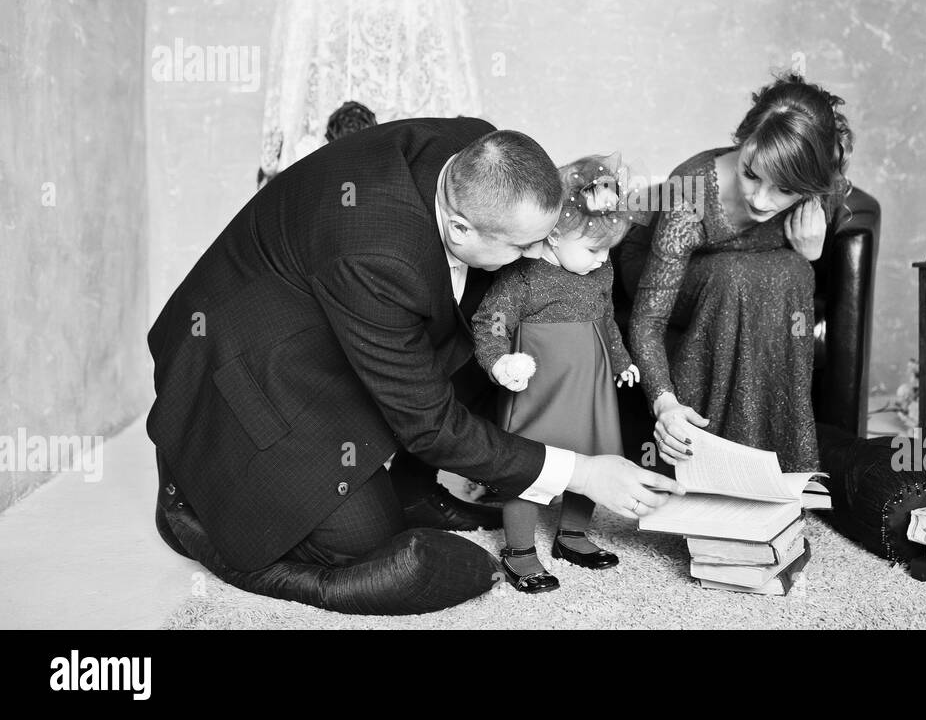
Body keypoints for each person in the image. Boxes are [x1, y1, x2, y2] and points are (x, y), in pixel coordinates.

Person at [148, 118, 680, 614]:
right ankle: (186, 501)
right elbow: (428, 422)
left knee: (490, 341)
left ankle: (414, 488)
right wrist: (582, 471)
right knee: (362, 539)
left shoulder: (479, 152)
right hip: (242, 368)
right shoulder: (378, 255)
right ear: (458, 227)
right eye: (524, 245)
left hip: (323, 316)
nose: (537, 254)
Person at [625, 73, 854, 474]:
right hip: (656, 271)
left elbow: (799, 278)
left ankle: (783, 465)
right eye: (750, 173)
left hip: (737, 277)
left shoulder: (821, 189)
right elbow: (649, 320)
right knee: (733, 279)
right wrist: (665, 403)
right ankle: (698, 462)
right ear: (743, 141)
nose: (760, 200)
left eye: (783, 189)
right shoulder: (690, 192)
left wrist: (812, 255)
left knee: (793, 270)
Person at [472, 153, 639, 593]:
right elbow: (491, 320)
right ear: (555, 234)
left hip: (591, 385)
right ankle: (520, 549)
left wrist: (621, 362)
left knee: (592, 457)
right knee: (527, 463)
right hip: (539, 390)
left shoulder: (600, 273)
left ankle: (573, 535)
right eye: (593, 249)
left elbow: (607, 321)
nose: (604, 260)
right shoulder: (524, 275)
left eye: (609, 251)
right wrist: (498, 361)